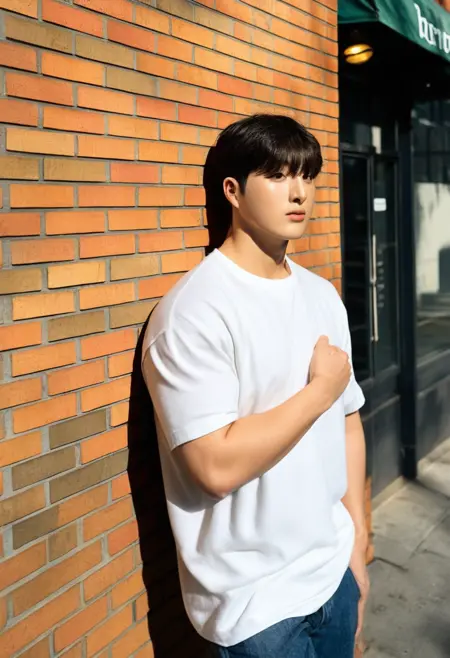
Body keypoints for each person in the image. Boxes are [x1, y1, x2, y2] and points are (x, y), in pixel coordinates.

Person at [141, 113, 370, 658]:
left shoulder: (322, 296)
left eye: (307, 176)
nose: (299, 192)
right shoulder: (195, 312)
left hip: (332, 573)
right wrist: (319, 391)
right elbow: (214, 467)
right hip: (255, 608)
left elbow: (347, 422)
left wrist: (359, 542)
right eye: (277, 175)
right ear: (233, 191)